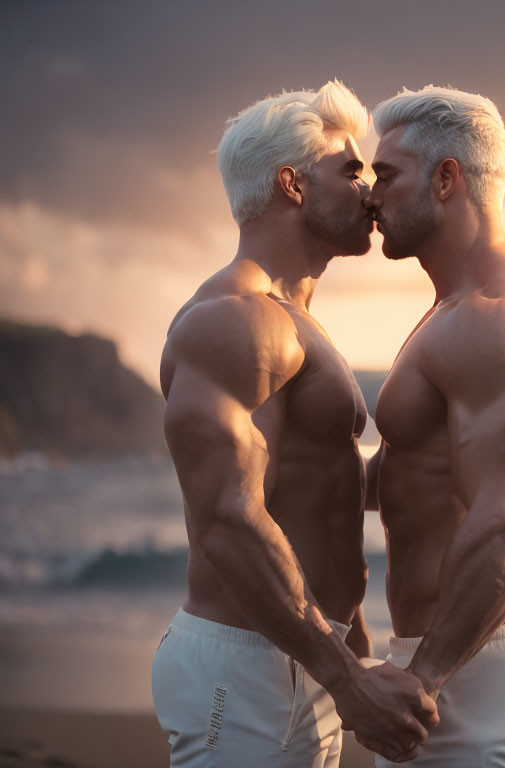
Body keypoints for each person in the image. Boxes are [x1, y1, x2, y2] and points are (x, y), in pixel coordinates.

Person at [151, 80, 438, 768]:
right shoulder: (234, 320)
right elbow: (228, 520)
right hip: (247, 667)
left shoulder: (292, 321)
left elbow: (315, 500)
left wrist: (355, 648)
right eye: (350, 169)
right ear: (293, 184)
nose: (371, 189)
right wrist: (346, 678)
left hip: (305, 653)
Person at [363, 86, 505, 767]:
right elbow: (418, 474)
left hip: (469, 674)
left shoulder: (497, 319)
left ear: (446, 178)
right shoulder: (455, 313)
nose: (371, 195)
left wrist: (421, 680)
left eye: (387, 175)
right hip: (471, 667)